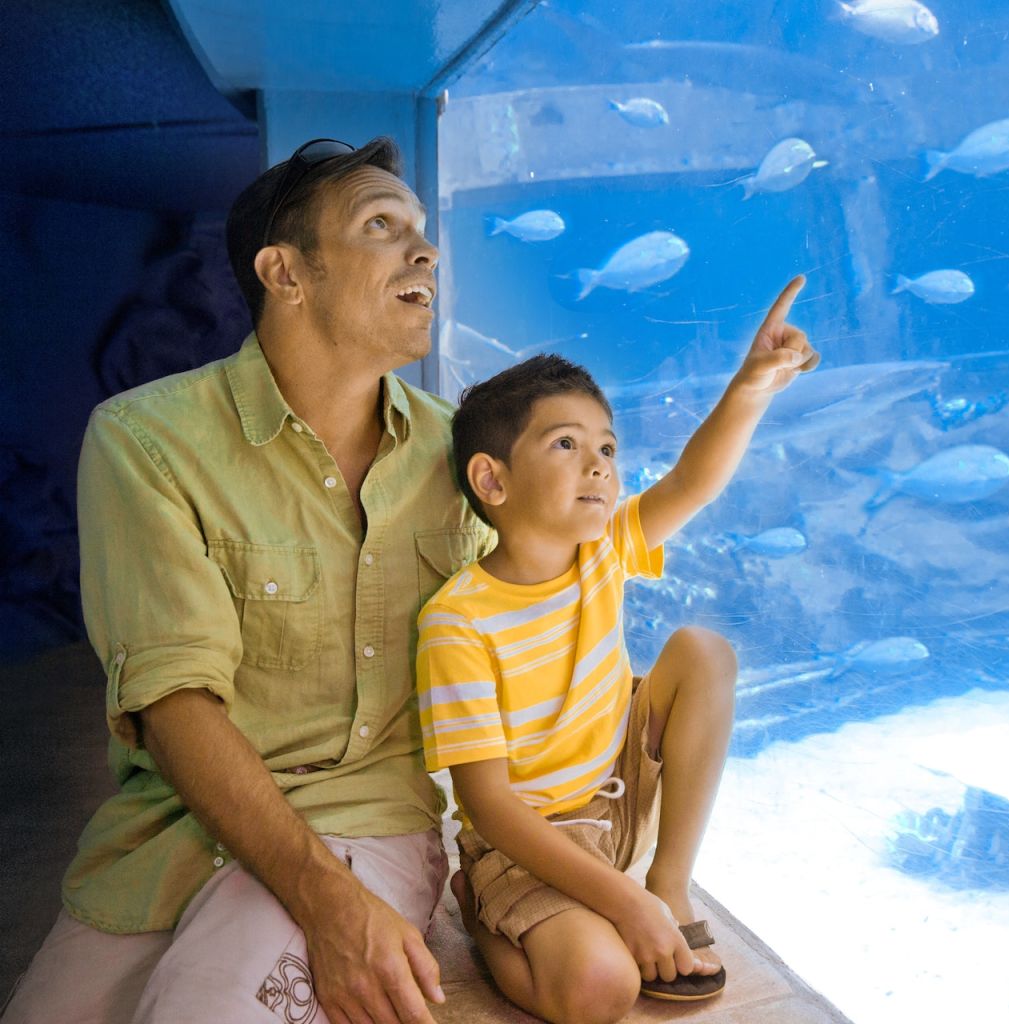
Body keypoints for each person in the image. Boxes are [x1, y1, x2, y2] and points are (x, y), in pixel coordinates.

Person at [3, 137, 493, 1024]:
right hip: (170, 838)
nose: (425, 250)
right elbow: (174, 702)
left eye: (421, 229)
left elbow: (560, 601)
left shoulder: (463, 455)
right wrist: (328, 905)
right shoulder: (145, 441)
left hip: (367, 822)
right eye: (381, 226)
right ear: (285, 273)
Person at [416, 277, 819, 1024]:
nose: (599, 463)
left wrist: (751, 386)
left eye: (606, 446)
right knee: (600, 989)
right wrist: (621, 907)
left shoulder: (601, 552)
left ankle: (669, 881)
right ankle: (481, 911)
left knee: (703, 651)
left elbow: (692, 483)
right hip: (526, 840)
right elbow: (488, 804)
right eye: (566, 444)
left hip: (618, 798)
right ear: (491, 479)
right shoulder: (457, 623)